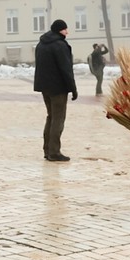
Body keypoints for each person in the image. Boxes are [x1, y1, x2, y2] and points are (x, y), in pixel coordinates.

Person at [33, 19, 77, 162]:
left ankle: (47, 150)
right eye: (65, 29)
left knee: (50, 117)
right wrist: (73, 88)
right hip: (58, 88)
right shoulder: (60, 45)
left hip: (45, 87)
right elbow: (66, 69)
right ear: (59, 30)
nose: (67, 32)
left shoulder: (41, 44)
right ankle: (54, 152)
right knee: (58, 118)